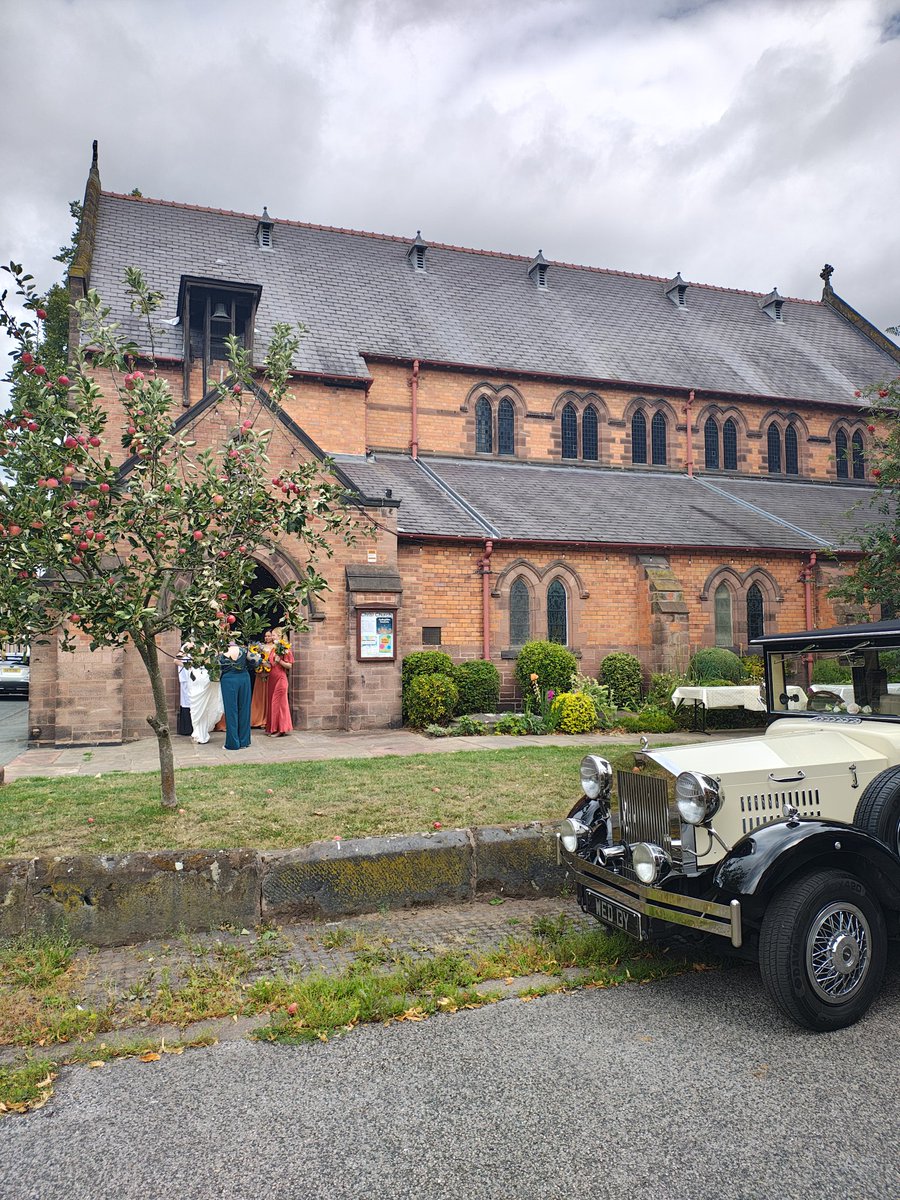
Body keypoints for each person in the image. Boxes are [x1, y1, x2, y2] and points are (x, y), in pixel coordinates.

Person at [178, 643, 224, 746]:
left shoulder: (212, 648)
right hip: (195, 680)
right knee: (196, 709)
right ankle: (198, 733)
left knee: (207, 706)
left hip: (206, 679)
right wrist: (189, 666)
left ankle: (203, 733)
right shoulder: (191, 646)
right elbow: (177, 659)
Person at [218, 640, 260, 750]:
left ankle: (232, 743)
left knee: (231, 711)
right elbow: (256, 661)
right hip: (243, 678)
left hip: (228, 680)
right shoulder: (244, 650)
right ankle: (244, 741)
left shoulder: (221, 653)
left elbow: (215, 669)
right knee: (244, 709)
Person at [266, 632, 294, 736]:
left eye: (273, 635)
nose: (272, 637)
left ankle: (280, 729)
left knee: (278, 703)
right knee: (272, 703)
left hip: (280, 679)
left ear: (280, 636)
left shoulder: (285, 648)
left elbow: (289, 666)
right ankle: (273, 728)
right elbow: (272, 664)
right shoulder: (274, 649)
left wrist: (280, 661)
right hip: (272, 679)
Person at [249, 629, 274, 729]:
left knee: (268, 696)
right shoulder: (260, 647)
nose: (267, 638)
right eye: (265, 636)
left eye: (269, 636)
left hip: (270, 674)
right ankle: (256, 719)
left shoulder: (276, 647)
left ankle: (266, 720)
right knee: (259, 697)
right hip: (260, 674)